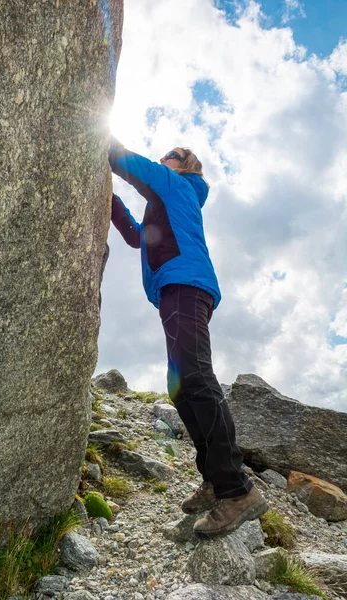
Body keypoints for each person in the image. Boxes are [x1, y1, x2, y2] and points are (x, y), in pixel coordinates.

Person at [108, 138, 268, 539]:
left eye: (172, 154)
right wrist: (105, 195)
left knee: (195, 378)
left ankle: (237, 490)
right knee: (181, 388)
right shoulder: (165, 205)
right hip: (175, 290)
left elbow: (130, 163)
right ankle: (216, 480)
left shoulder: (175, 185)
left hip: (184, 285)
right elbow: (134, 234)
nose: (164, 156)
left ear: (185, 165)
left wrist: (93, 134)